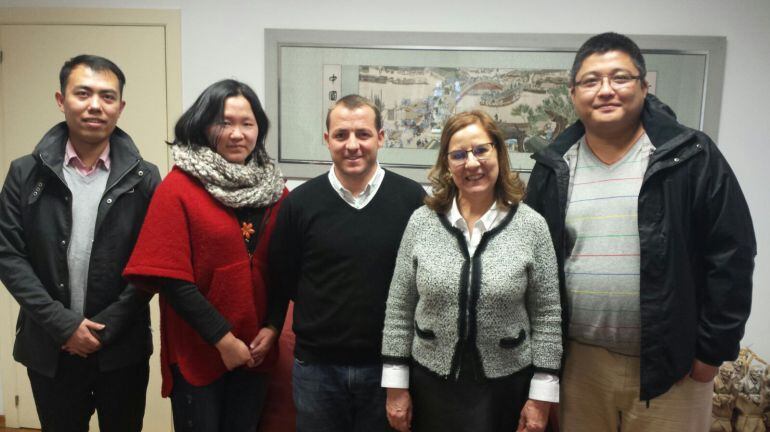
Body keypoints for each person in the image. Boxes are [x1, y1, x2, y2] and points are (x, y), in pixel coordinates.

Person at [525, 32, 757, 431]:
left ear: (644, 86)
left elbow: (732, 254)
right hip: (579, 365)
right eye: (591, 80)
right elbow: (533, 263)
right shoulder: (552, 166)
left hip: (674, 367)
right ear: (573, 92)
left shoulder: (691, 156)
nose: (605, 90)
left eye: (620, 78)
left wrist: (711, 354)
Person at [0, 54, 159, 431]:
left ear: (120, 107)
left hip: (121, 350)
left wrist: (105, 328)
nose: (95, 105)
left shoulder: (146, 178)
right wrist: (64, 325)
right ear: (61, 100)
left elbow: (154, 263)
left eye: (107, 97)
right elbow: (8, 255)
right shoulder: (25, 173)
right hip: (50, 347)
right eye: (83, 93)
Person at [381, 110, 562, 432]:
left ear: (498, 152)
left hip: (506, 388)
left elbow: (547, 315)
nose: (472, 163)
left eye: (481, 150)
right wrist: (395, 386)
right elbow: (399, 308)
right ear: (447, 164)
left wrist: (541, 398)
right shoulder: (421, 222)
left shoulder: (532, 226)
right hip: (430, 385)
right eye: (459, 154)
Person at [122, 79, 288, 431]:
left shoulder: (276, 190)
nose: (237, 133)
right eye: (224, 122)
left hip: (256, 351)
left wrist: (273, 327)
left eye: (247, 123)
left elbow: (285, 270)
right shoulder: (178, 188)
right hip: (200, 351)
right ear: (202, 124)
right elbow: (170, 278)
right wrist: (223, 341)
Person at [266, 94, 426, 431]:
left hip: (389, 371)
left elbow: (422, 282)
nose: (352, 145)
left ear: (381, 137)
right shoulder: (299, 203)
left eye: (363, 134)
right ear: (327, 140)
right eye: (341, 135)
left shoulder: (413, 201)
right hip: (317, 371)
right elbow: (284, 277)